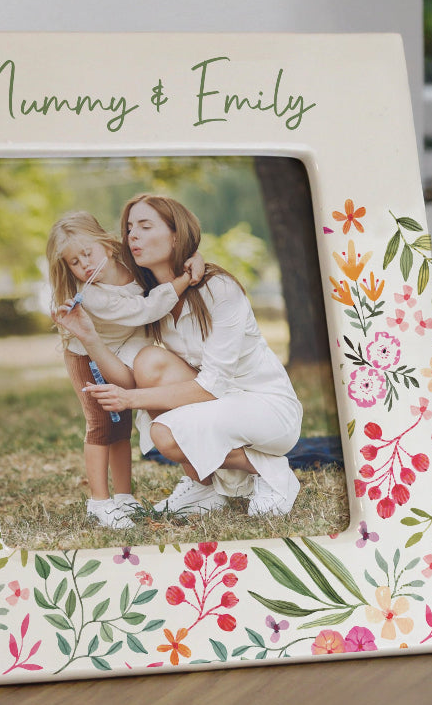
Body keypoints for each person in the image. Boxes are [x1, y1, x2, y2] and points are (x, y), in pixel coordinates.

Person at [59, 195, 303, 517]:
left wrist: (130, 400)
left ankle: (272, 473)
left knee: (166, 433)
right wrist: (88, 337)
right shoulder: (150, 301)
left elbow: (211, 386)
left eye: (145, 226)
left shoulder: (219, 289)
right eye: (130, 228)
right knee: (149, 363)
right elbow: (130, 376)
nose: (133, 235)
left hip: (265, 407)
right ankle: (203, 487)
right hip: (220, 402)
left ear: (176, 235)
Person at [46, 211, 203, 529]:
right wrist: (185, 280)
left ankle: (123, 497)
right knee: (102, 424)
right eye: (75, 262)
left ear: (105, 242)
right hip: (87, 356)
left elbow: (165, 254)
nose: (85, 265)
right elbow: (144, 310)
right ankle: (99, 502)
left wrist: (194, 257)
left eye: (88, 253)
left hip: (124, 347)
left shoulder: (130, 261)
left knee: (123, 425)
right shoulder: (92, 294)